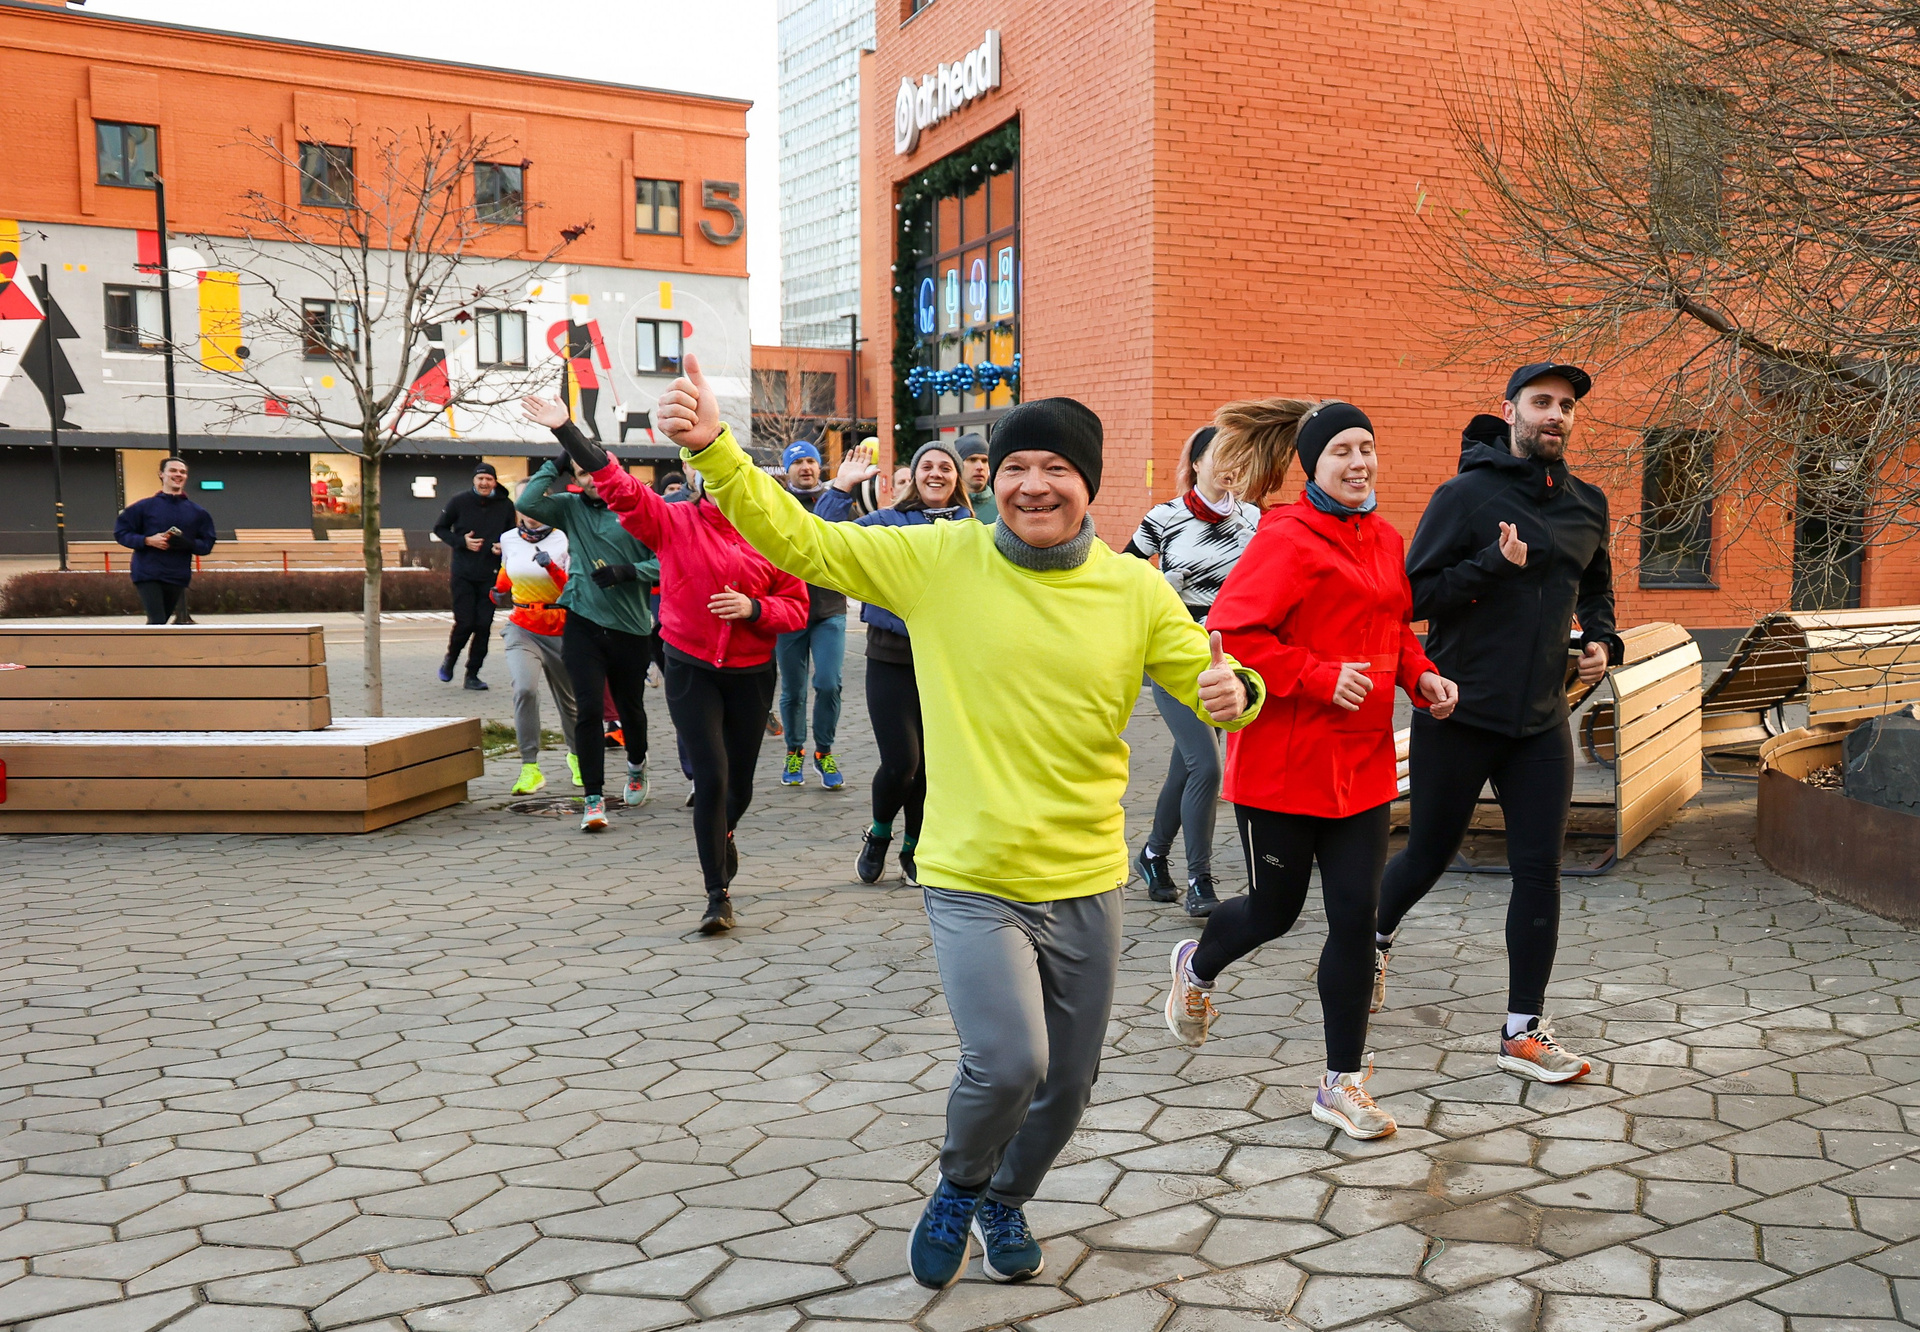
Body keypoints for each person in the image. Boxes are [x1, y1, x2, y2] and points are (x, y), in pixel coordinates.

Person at [653, 355, 1260, 1291]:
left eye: (1056, 468)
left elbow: (1219, 680)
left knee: (1071, 1083)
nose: (1034, 485)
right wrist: (715, 453)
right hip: (972, 872)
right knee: (1010, 1063)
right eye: (1015, 467)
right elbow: (804, 542)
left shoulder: (1134, 591)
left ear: (1088, 484)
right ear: (992, 480)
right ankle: (960, 1184)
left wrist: (1238, 689)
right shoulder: (940, 559)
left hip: (1085, 875)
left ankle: (1006, 1200)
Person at [1160, 400, 1459, 1142]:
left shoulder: (1386, 538)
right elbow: (1231, 632)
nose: (1359, 463)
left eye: (1367, 447)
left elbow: (1392, 627)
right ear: (1312, 466)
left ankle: (1341, 1082)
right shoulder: (1286, 537)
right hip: (1285, 766)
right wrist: (1320, 676)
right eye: (1341, 452)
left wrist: (1420, 675)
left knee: (1357, 919)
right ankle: (1197, 965)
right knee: (1276, 912)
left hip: (1361, 765)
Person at [1373, 363, 1623, 1084]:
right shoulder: (1465, 495)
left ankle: (1522, 1031)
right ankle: (1371, 938)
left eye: (1566, 405)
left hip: (1541, 720)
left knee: (1540, 871)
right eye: (1541, 402)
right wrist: (1492, 565)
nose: (1555, 415)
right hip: (1460, 711)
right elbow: (1413, 597)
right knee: (1428, 854)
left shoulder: (1587, 503)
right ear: (1510, 410)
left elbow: (1596, 586)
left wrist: (1603, 640)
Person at [526, 394, 808, 935]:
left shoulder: (773, 535)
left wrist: (754, 609)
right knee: (712, 777)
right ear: (701, 479)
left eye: (734, 478)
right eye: (713, 477)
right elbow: (619, 485)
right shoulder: (674, 520)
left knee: (740, 789)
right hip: (690, 665)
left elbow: (796, 608)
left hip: (751, 673)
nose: (722, 486)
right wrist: (566, 430)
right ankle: (716, 895)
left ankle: (725, 834)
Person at [815, 439, 974, 886]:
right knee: (902, 762)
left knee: (932, 766)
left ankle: (914, 849)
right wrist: (840, 489)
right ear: (915, 475)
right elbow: (826, 538)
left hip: (945, 662)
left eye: (946, 467)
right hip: (890, 658)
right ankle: (880, 832)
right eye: (928, 466)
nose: (936, 473)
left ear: (957, 478)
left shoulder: (972, 530)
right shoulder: (888, 522)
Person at [1124, 425, 1261, 917]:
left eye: (1239, 458)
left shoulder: (1253, 519)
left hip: (1228, 662)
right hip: (1176, 656)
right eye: (1221, 455)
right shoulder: (1165, 517)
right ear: (1197, 463)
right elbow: (1124, 575)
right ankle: (1200, 880)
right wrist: (1164, 582)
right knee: (1207, 765)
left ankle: (1151, 855)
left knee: (1186, 767)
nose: (1231, 466)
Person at [515, 444, 660, 831]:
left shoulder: (641, 508)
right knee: (589, 710)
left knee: (630, 709)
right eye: (582, 473)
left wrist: (630, 571)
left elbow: (669, 562)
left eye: (597, 470)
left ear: (615, 470)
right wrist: (556, 462)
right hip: (582, 621)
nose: (592, 479)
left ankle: (636, 765)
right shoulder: (569, 508)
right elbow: (528, 502)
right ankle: (593, 799)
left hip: (630, 627)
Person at [775, 441, 849, 790]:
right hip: (788, 610)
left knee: (828, 683)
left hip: (829, 609)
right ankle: (794, 750)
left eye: (811, 461)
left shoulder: (838, 501)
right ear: (786, 469)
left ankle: (824, 751)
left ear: (819, 467)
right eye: (797, 462)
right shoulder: (777, 503)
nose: (805, 467)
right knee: (793, 690)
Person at [492, 513, 581, 795]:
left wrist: (551, 567)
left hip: (560, 629)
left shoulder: (565, 538)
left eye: (535, 508)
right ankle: (530, 767)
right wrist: (498, 590)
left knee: (570, 703)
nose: (529, 515)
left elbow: (572, 589)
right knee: (525, 690)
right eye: (524, 509)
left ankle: (578, 757)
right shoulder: (508, 538)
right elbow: (507, 571)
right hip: (522, 627)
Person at [433, 462, 518, 690]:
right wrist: (462, 542)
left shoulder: (506, 505)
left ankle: (472, 674)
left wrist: (503, 547)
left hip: (490, 575)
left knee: (483, 625)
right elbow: (440, 528)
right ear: (474, 480)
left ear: (495, 482)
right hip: (463, 573)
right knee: (465, 623)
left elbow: (512, 536)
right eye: (480, 478)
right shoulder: (459, 501)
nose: (484, 483)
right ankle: (450, 659)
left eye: (489, 479)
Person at [114, 456, 216, 625]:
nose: (178, 474)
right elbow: (121, 532)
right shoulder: (143, 507)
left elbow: (207, 544)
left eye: (182, 472)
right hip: (148, 573)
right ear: (161, 474)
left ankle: (144, 643)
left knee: (159, 625)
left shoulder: (198, 513)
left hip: (177, 575)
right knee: (157, 621)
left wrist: (189, 544)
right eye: (173, 470)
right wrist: (147, 540)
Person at [958, 432, 997, 524]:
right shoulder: (947, 506)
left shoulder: (1002, 506)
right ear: (958, 465)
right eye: (972, 460)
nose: (980, 467)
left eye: (984, 460)